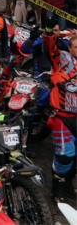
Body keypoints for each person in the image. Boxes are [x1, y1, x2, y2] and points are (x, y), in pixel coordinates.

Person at [43, 26, 77, 201]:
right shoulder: (62, 59)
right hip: (61, 115)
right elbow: (49, 47)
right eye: (76, 46)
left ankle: (67, 184)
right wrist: (49, 33)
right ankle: (56, 190)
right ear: (70, 48)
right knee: (65, 155)